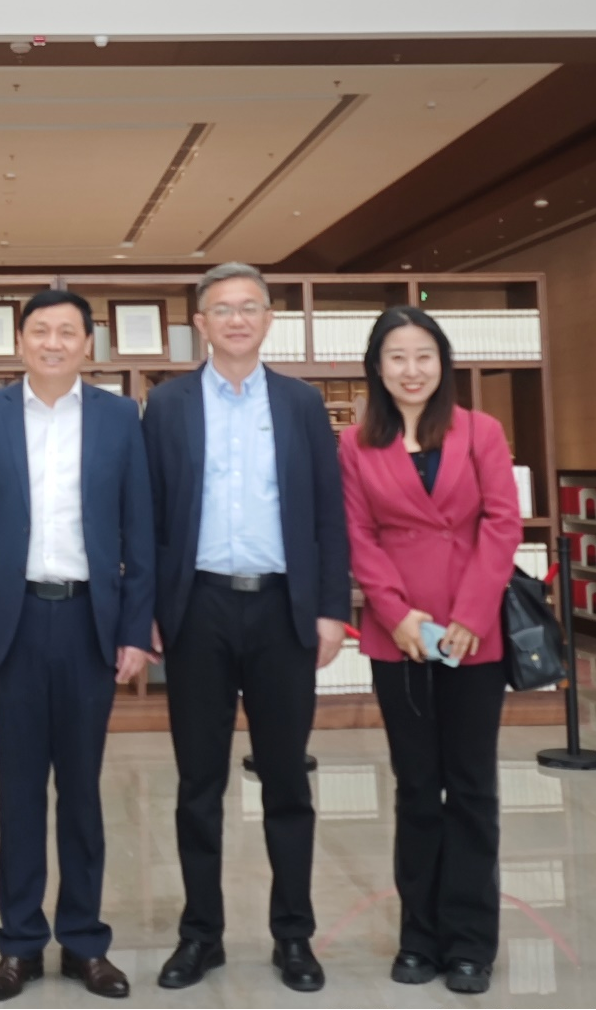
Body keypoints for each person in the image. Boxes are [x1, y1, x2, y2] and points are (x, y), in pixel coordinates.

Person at [143, 262, 351, 994]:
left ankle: (293, 934)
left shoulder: (301, 403)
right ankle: (201, 934)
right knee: (198, 782)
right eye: (222, 309)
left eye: (249, 307)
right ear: (200, 323)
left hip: (282, 610)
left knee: (286, 779)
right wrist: (150, 611)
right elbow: (148, 516)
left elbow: (329, 511)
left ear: (268, 320)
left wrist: (332, 607)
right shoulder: (166, 404)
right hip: (197, 609)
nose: (236, 319)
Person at [0, 289, 155, 1003]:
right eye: (41, 330)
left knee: (83, 792)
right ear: (21, 341)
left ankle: (85, 941)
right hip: (13, 622)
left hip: (91, 620)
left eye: (69, 331)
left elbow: (140, 528)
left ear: (89, 344)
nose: (54, 342)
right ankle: (20, 944)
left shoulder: (120, 416)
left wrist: (134, 628)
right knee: (18, 792)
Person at [338, 307, 521, 997]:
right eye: (396, 357)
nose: (411, 370)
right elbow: (358, 535)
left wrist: (470, 613)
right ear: (377, 368)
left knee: (471, 787)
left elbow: (502, 522)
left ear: (443, 363)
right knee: (416, 787)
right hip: (401, 638)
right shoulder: (355, 443)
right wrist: (396, 614)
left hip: (475, 633)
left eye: (423, 355)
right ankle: (418, 936)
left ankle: (470, 942)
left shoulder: (481, 430)